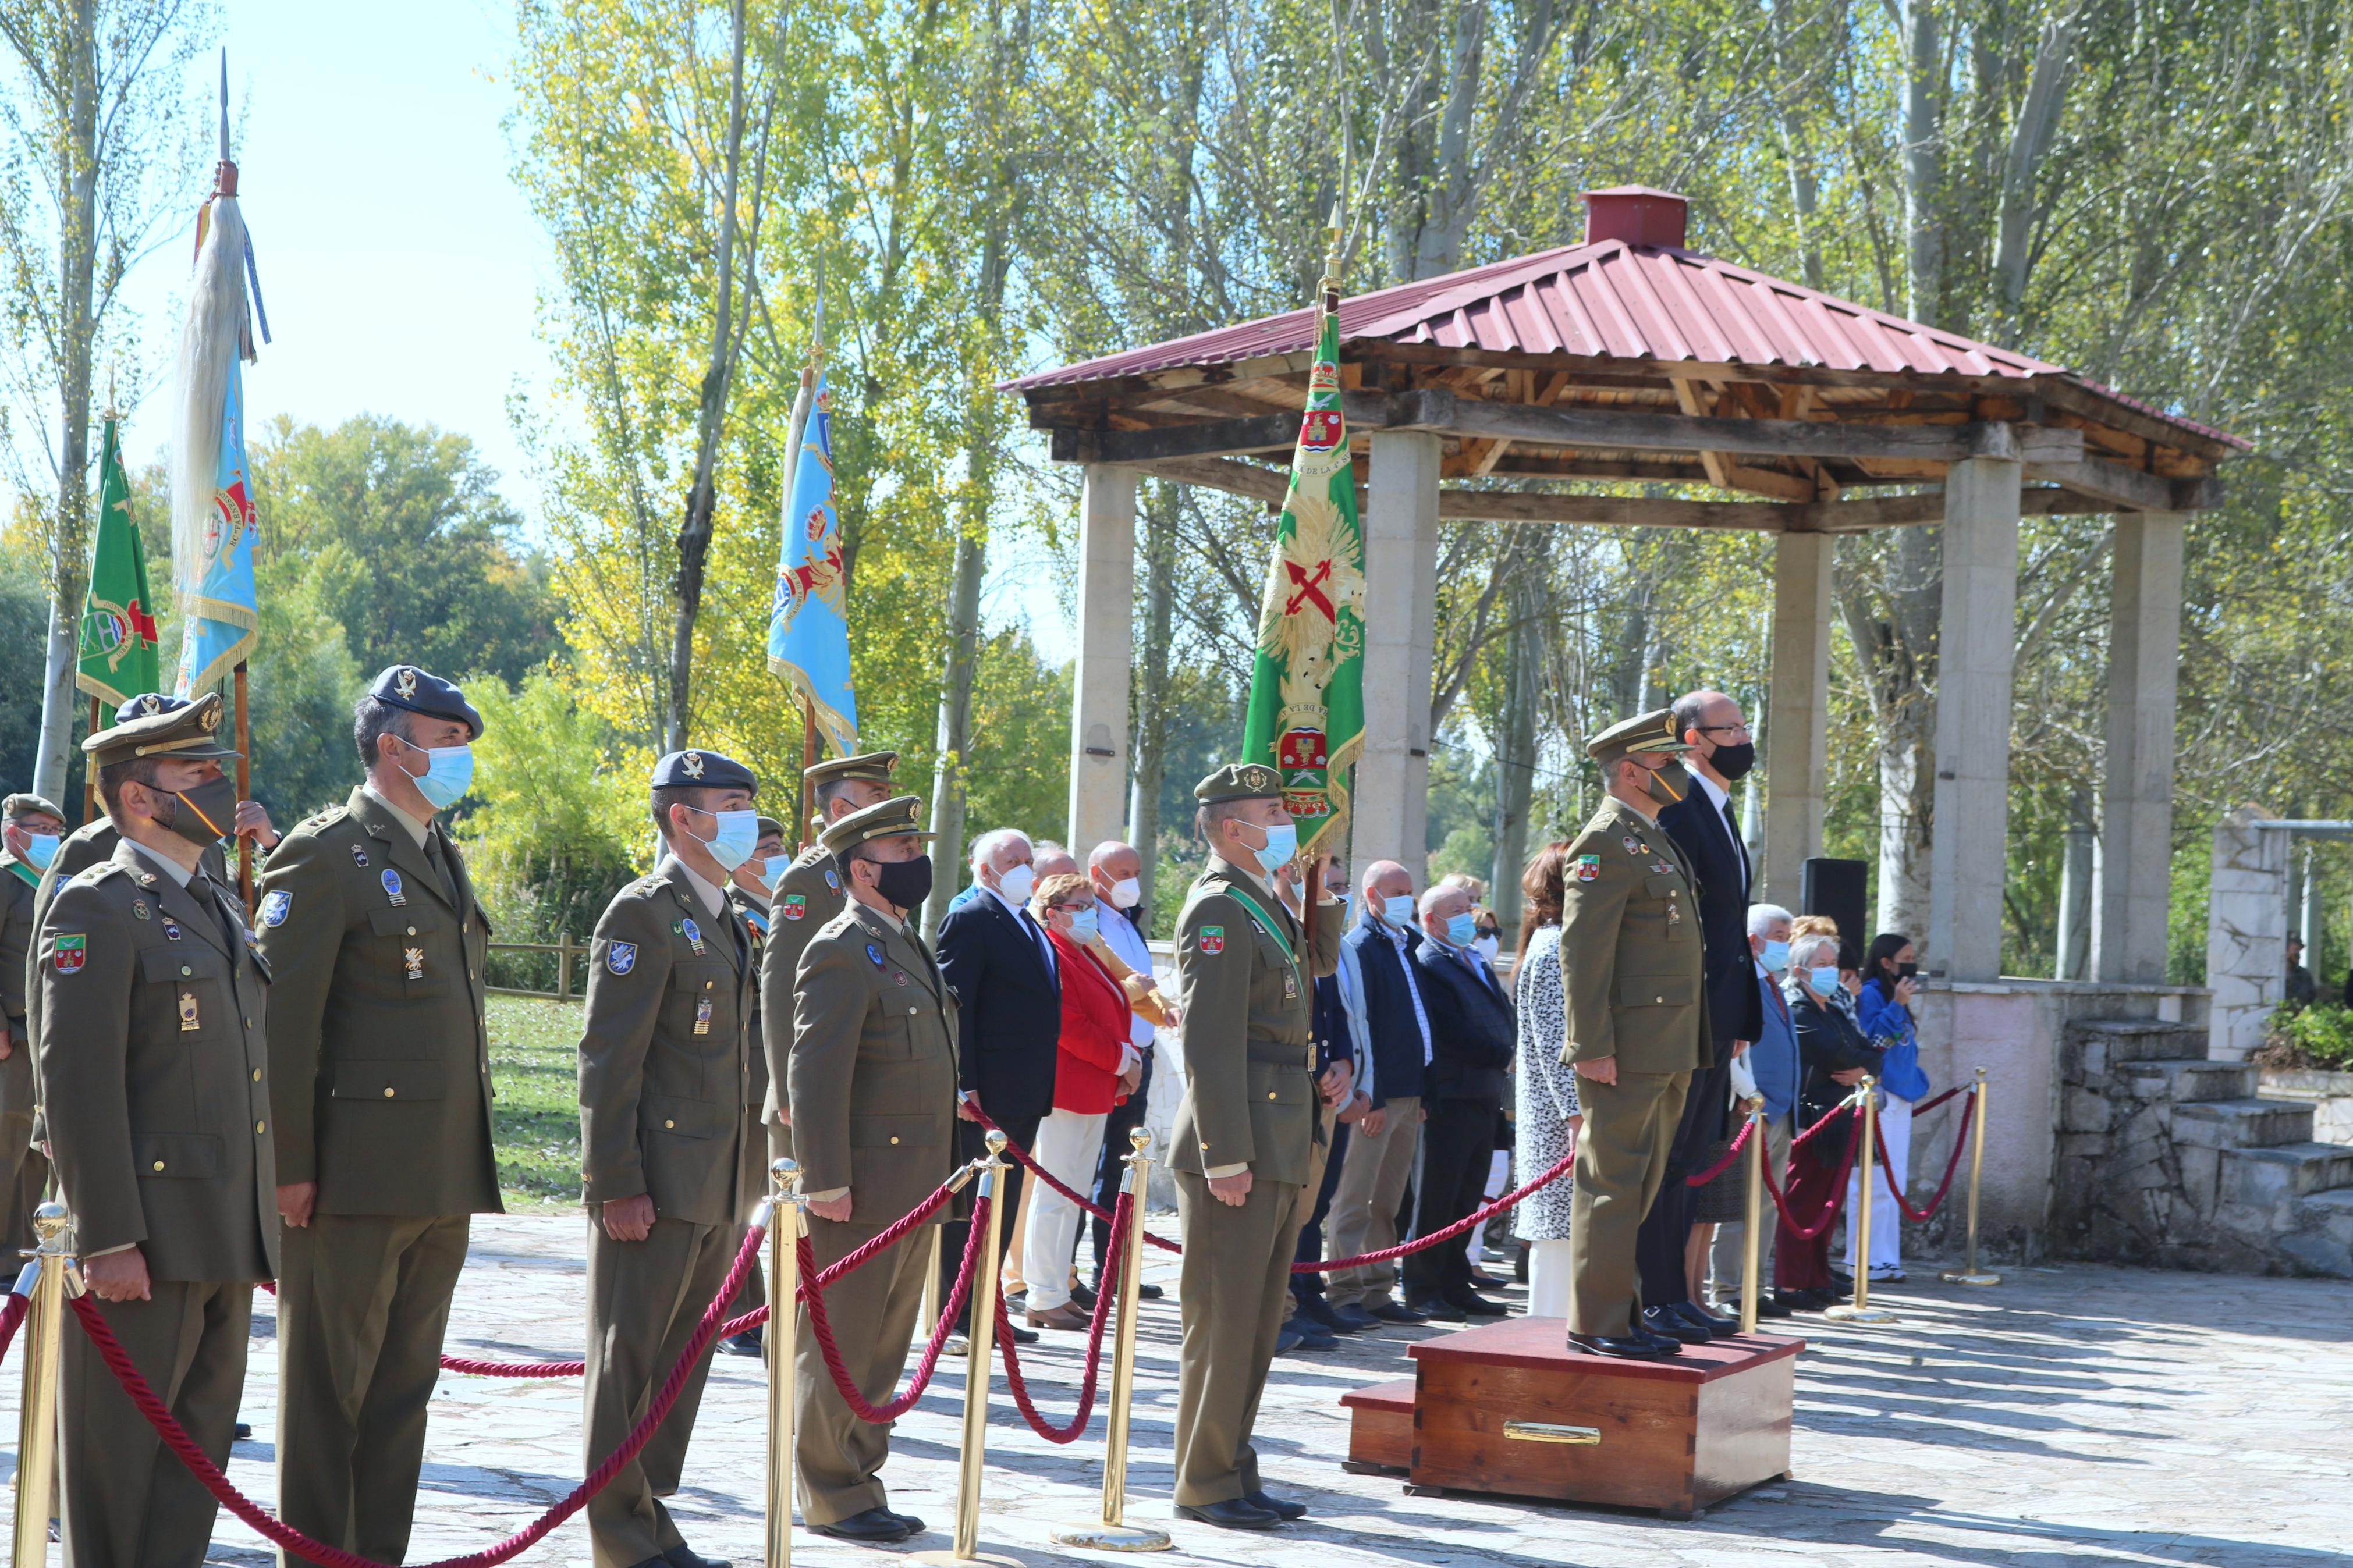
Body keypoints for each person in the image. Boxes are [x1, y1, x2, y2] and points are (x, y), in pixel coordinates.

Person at [255, 666, 501, 1566]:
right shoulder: (324, 852)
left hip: (437, 1171)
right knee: (329, 1396)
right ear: (394, 747)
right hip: (349, 1176)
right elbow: (281, 1025)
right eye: (448, 739)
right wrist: (287, 1165)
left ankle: (377, 1554)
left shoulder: (437, 850)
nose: (461, 756)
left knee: (402, 1394)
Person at [38, 692, 275, 1568]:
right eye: (197, 771)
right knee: (118, 1471)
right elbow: (78, 1082)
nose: (220, 784)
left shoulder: (214, 898)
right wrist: (107, 1235)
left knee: (192, 1470)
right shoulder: (98, 905)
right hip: (145, 1237)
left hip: (222, 1226)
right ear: (140, 796)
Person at [577, 748, 761, 1568]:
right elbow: (608, 1059)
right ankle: (619, 1535)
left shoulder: (723, 913)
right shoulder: (644, 913)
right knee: (629, 1363)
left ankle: (648, 1515)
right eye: (732, 804)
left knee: (677, 1363)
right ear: (683, 816)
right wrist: (616, 1181)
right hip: (655, 1181)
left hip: (715, 1180)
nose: (748, 820)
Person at [1167, 763, 1341, 1530]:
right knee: (1224, 1321)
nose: (1286, 821)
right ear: (1232, 828)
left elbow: (1315, 963)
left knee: (1258, 1319)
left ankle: (1232, 1468)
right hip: (1241, 1135)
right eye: (1272, 811)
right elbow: (1207, 1043)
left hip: (1280, 1126)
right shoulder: (1217, 906)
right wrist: (1225, 1153)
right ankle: (1205, 1479)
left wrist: (1318, 891)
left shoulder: (1260, 898)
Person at [787, 794, 957, 1544]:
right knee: (841, 1343)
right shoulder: (841, 946)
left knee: (884, 1346)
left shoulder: (902, 939)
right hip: (858, 1189)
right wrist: (824, 1179)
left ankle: (860, 1479)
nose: (918, 860)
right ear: (862, 869)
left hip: (915, 1183)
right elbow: (814, 1075)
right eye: (902, 850)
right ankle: (829, 1492)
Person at [1557, 708, 1710, 1361]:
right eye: (1666, 762)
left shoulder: (1649, 836)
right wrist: (1590, 1045)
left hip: (1666, 1041)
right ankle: (1596, 1321)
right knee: (1611, 1184)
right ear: (1629, 771)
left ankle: (1623, 1312)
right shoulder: (1603, 842)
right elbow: (1581, 953)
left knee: (1639, 1186)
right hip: (1624, 1047)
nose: (1677, 772)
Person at [1635, 688, 1761, 1345]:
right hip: (1685, 1017)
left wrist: (1742, 1018)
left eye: (1743, 727)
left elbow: (1730, 928)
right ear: (1693, 739)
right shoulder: (1680, 810)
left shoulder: (1719, 807)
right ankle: (1653, 1296)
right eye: (1729, 729)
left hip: (1717, 1019)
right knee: (1665, 1159)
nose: (1743, 739)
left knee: (1688, 1160)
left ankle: (1675, 1295)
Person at [937, 827, 1057, 1345]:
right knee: (972, 1207)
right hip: (986, 1095)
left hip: (1025, 1089)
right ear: (985, 871)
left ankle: (986, 1307)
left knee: (1002, 1205)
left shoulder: (1026, 919)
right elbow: (956, 1009)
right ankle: (956, 1315)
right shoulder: (970, 919)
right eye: (1013, 861)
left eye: (1029, 859)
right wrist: (964, 1084)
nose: (1025, 869)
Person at [759, 751, 898, 1165]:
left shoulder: (878, 867)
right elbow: (781, 985)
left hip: (867, 1078)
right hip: (814, 1088)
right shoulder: (809, 877)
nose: (889, 804)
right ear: (840, 808)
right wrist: (788, 1090)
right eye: (878, 795)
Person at [1022, 872, 1139, 1328]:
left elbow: (1112, 1008)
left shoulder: (1083, 948)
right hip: (1066, 1089)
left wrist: (1124, 1059)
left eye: (1092, 904)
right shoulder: (1053, 952)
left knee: (1071, 1195)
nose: (1091, 913)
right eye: (1081, 906)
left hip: (1093, 1087)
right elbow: (1069, 1024)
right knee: (1055, 1195)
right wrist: (1121, 1059)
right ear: (1053, 913)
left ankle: (1055, 1288)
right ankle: (1042, 1293)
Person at [1323, 859, 1432, 1329]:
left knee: (1386, 1201)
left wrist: (1422, 1093)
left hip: (1410, 1094)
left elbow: (1418, 1021)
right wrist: (1375, 1095)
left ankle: (1376, 1287)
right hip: (1378, 1098)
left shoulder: (1406, 943)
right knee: (1355, 1198)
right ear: (1372, 896)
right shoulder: (1361, 947)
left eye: (1409, 891)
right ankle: (1344, 1290)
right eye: (1397, 891)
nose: (1406, 899)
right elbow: (1363, 1028)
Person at [1403, 881, 1515, 1321]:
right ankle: (1423, 1287)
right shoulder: (1429, 961)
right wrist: (1501, 1053)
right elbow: (1449, 1029)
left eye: (1469, 907)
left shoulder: (1472, 957)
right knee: (1437, 1197)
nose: (1468, 916)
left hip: (1483, 1093)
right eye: (1457, 910)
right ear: (1431, 920)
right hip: (1451, 1095)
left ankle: (1455, 1282)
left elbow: (1500, 1011)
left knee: (1467, 1196)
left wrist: (1509, 1044)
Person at [1084, 839, 1172, 1302]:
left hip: (1140, 1054)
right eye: (1123, 873)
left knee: (1125, 1165)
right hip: (1110, 1060)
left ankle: (1117, 1267)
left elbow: (1139, 988)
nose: (1132, 881)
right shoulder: (1091, 923)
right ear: (1096, 874)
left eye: (1136, 872)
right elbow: (1102, 992)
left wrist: (1163, 1009)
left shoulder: (1127, 922)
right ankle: (1094, 1273)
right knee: (1100, 1170)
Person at [1773, 931, 1879, 1310]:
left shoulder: (1832, 1009)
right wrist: (1862, 1063)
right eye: (1821, 964)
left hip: (1840, 1120)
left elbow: (1869, 1050)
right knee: (1802, 1204)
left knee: (1826, 1206)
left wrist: (1865, 1067)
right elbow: (1837, 1055)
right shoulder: (1799, 1010)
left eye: (1832, 964)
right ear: (1800, 970)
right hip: (1812, 1121)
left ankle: (1816, 1277)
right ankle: (1790, 1283)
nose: (1830, 971)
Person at [716, 814, 789, 1358]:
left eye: (781, 846)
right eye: (768, 849)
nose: (780, 857)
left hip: (786, 1078)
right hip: (752, 1079)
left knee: (774, 1197)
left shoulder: (788, 914)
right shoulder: (737, 916)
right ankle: (738, 1313)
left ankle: (760, 1308)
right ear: (741, 861)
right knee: (744, 1200)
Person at [1708, 904, 1798, 1317]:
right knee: (1737, 1207)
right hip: (1751, 1108)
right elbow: (1729, 1049)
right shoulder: (1740, 983)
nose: (1785, 945)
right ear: (1752, 940)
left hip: (1779, 1112)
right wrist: (1748, 1092)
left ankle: (1753, 1288)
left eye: (1788, 938)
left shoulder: (1772, 983)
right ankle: (1728, 1290)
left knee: (1766, 1206)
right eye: (1778, 937)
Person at [1512, 842, 1579, 1319]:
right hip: (1559, 1122)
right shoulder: (1554, 948)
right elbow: (1556, 1044)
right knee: (1557, 1242)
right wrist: (1576, 1118)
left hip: (1561, 1117)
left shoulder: (1553, 942)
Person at [0, 790, 65, 1254]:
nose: (50, 839)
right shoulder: (6, 881)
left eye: (55, 831)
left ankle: (21, 1249)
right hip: (14, 1035)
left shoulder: (57, 883)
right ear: (13, 834)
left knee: (37, 1148)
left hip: (49, 1033)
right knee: (6, 1144)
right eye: (40, 830)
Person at [1849, 931, 1929, 1283]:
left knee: (1894, 1181)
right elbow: (1875, 1043)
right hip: (1879, 1096)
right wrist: (1896, 1004)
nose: (1912, 964)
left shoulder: (1897, 993)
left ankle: (1885, 1257)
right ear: (1885, 962)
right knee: (1872, 1180)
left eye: (1914, 958)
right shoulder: (1870, 994)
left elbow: (1904, 1044)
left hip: (1901, 1095)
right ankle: (1862, 1258)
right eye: (1905, 958)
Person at [2286, 935, 2319, 1010]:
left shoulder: (2304, 974)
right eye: (2295, 950)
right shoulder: (2277, 975)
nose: (2298, 955)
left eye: (2299, 951)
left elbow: (2311, 998)